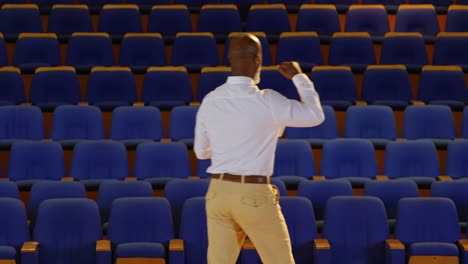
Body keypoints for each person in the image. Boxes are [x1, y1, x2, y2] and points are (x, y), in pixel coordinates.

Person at [194, 33, 325, 264]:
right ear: (257, 60)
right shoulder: (268, 100)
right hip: (252, 193)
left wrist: (230, 146)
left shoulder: (210, 99)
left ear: (230, 59)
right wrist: (299, 77)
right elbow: (315, 115)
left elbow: (201, 152)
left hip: (217, 192)